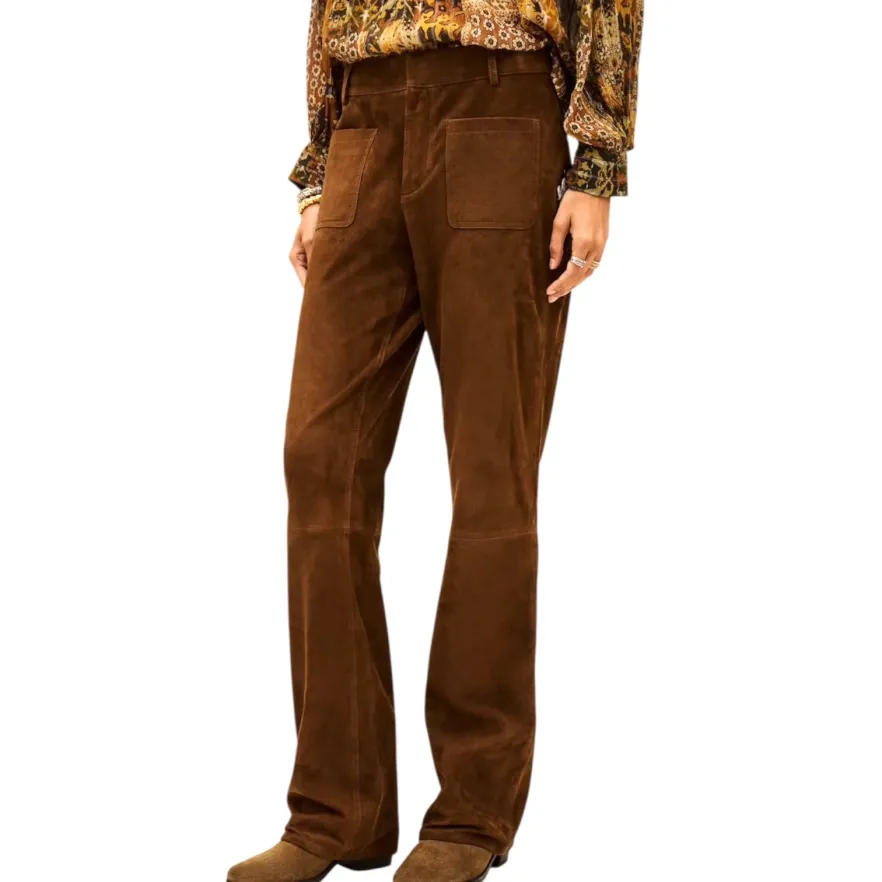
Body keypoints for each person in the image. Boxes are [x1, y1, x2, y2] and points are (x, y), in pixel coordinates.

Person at [229, 2, 643, 882]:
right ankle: (336, 811)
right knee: (320, 459)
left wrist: (597, 164)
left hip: (499, 107)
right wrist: (322, 163)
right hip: (364, 120)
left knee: (491, 471)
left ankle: (471, 812)